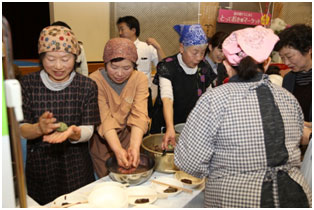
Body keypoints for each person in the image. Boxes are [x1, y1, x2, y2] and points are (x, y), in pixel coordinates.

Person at [174, 25, 311, 207]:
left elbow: (190, 163)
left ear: (226, 64)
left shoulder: (214, 99)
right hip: (296, 197)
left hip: (237, 199)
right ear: (268, 62)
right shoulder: (288, 98)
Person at [19, 26, 100, 205]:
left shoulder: (86, 86)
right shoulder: (27, 84)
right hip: (41, 164)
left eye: (65, 59)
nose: (58, 66)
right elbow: (21, 130)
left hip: (76, 164)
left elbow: (88, 130)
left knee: (78, 203)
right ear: (41, 57)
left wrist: (73, 133)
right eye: (51, 58)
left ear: (76, 58)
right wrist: (38, 128)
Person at [89, 38, 150, 178]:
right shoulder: (94, 81)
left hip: (130, 138)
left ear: (135, 66)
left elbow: (140, 114)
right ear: (105, 63)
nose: (120, 73)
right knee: (108, 182)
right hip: (103, 143)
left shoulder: (139, 79)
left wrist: (134, 147)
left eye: (127, 68)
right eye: (114, 67)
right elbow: (104, 119)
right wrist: (117, 149)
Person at [150, 24, 216, 149]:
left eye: (202, 53)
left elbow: (210, 98)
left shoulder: (204, 67)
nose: (199, 58)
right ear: (182, 48)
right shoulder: (167, 66)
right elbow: (167, 98)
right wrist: (170, 127)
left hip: (192, 127)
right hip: (165, 124)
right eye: (195, 52)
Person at [117, 16, 166, 118]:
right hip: (123, 90)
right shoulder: (117, 48)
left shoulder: (147, 47)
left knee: (144, 120)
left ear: (133, 30)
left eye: (122, 29)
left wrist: (158, 47)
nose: (120, 33)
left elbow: (163, 66)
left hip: (144, 91)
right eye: (119, 30)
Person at [274, 24, 312, 122]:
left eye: (289, 56)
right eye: (282, 58)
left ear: (309, 50)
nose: (286, 63)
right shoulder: (288, 79)